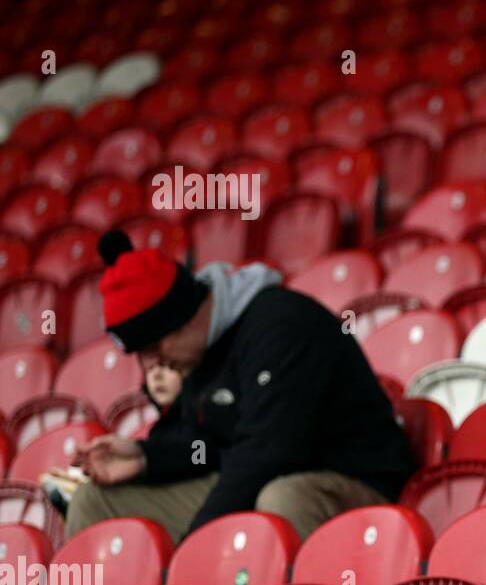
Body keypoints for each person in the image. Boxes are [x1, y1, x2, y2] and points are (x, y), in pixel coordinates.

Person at [66, 230, 415, 542]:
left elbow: (269, 451)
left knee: (281, 497)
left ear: (181, 321)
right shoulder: (199, 351)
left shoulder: (281, 326)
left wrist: (195, 542)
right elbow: (208, 447)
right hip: (260, 480)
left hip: (354, 483)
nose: (152, 365)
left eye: (154, 349)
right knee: (93, 501)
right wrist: (145, 458)